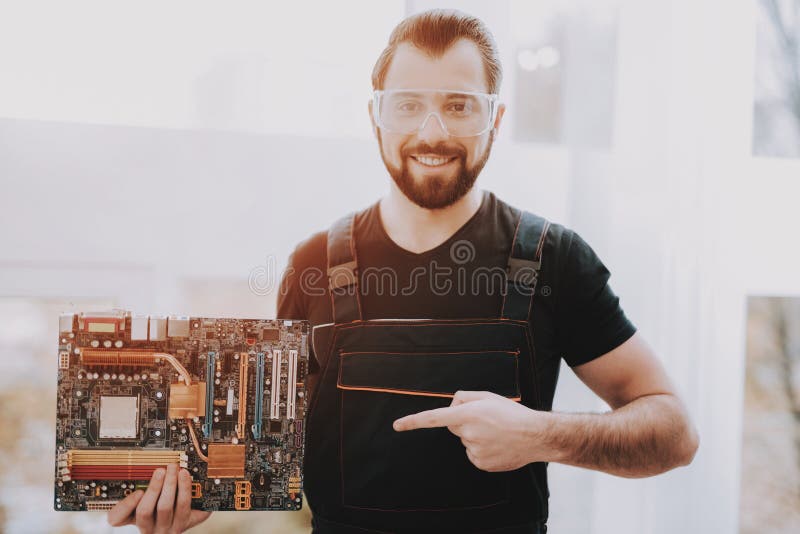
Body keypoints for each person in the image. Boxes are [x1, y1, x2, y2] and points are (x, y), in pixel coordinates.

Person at [108, 9, 699, 534]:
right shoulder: (313, 264)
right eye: (409, 105)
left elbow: (674, 433)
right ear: (376, 117)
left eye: (459, 105)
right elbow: (261, 451)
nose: (432, 132)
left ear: (495, 120)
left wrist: (540, 435)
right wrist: (191, 501)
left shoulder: (554, 260)